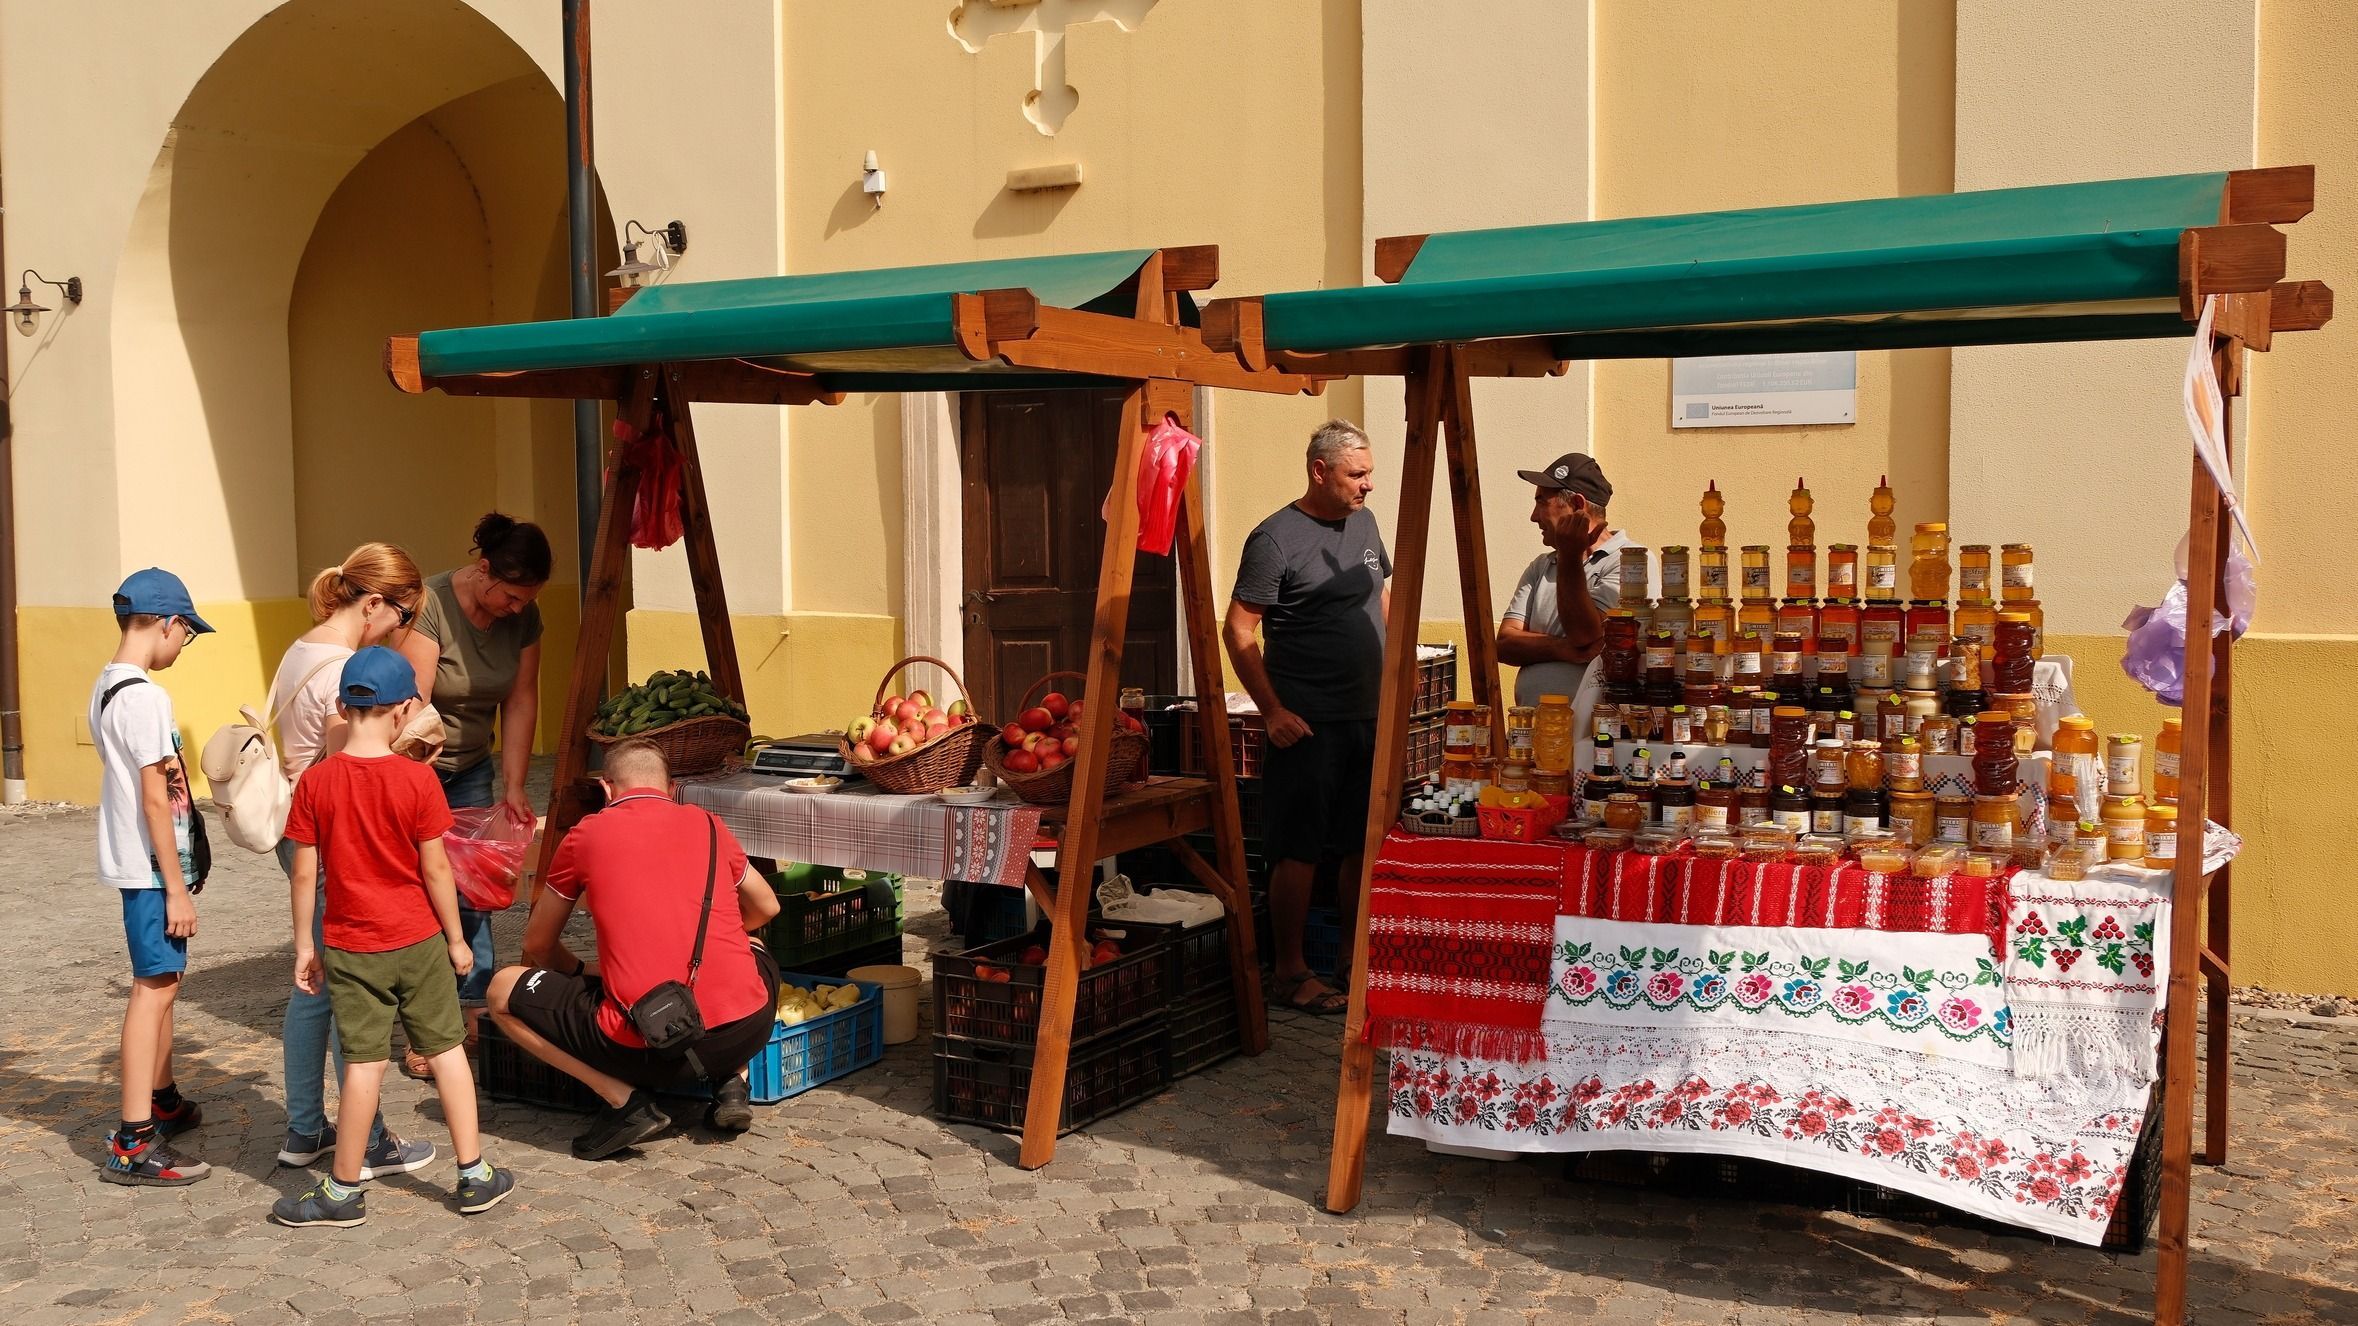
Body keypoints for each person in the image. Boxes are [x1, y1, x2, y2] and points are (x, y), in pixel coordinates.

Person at [271, 647, 515, 1227]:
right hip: (420, 940)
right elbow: (436, 870)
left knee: (363, 1065)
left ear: (341, 705)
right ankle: (474, 1175)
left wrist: (306, 947)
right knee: (448, 1050)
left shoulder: (316, 784)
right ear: (403, 709)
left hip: (352, 947)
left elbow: (305, 872)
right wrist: (457, 940)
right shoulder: (419, 781)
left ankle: (342, 1191)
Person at [485, 738, 784, 1160]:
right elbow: (767, 906)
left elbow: (537, 943)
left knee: (501, 990)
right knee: (755, 948)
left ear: (607, 789)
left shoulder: (586, 834)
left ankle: (625, 1102)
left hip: (648, 1048)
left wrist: (579, 970)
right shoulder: (710, 824)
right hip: (742, 1032)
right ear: (672, 787)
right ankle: (733, 1080)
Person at [263, 543, 436, 1178]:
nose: (400, 632)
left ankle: (305, 1128)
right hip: (336, 845)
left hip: (298, 832)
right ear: (372, 603)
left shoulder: (300, 649)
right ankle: (367, 1143)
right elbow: (351, 772)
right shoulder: (343, 669)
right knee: (351, 996)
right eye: (399, 617)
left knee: (313, 991)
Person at [1222, 420, 1389, 1017]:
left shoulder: (1365, 522)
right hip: (1307, 721)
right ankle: (1290, 971)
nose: (1369, 484)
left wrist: (1398, 667)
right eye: (1357, 474)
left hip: (1366, 715)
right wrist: (1273, 711)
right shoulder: (1274, 538)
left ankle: (1350, 959)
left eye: (1369, 472)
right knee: (1298, 848)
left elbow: (1379, 596)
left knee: (1355, 844)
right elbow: (1238, 628)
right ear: (1320, 471)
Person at [396, 512, 551, 1071]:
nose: (516, 609)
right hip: (419, 766)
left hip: (473, 767)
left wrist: (512, 784)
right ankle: (426, 1027)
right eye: (510, 596)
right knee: (421, 894)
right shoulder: (430, 605)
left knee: (475, 893)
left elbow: (521, 699)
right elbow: (411, 710)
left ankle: (474, 1015)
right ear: (482, 569)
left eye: (525, 600)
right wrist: (420, 793)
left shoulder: (524, 615)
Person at [94, 569, 213, 1186]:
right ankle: (133, 1140)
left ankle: (162, 1099)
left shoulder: (107, 685)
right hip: (149, 869)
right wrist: (174, 885)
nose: (180, 647)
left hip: (138, 863)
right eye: (185, 635)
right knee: (154, 988)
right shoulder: (144, 696)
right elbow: (152, 800)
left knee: (165, 978)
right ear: (167, 623)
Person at [1496, 453, 1635, 706]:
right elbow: (1504, 643)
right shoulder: (1542, 565)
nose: (1534, 516)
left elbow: (1584, 633)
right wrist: (1564, 649)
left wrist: (1571, 555)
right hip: (1535, 731)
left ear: (1577, 505)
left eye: (1541, 502)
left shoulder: (1631, 561)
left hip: (1595, 735)